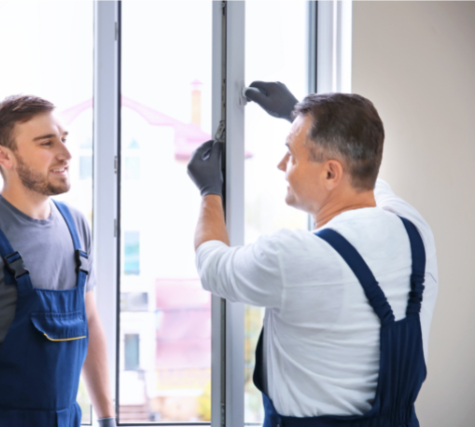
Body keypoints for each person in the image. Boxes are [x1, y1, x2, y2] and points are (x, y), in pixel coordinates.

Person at [187, 82, 438, 427]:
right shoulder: (414, 230)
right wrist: (300, 116)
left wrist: (208, 192)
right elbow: (366, 179)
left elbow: (212, 265)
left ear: (331, 172)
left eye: (290, 154)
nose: (281, 165)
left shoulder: (293, 257)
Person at [0, 95, 116, 427]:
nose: (67, 155)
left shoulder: (76, 227)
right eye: (47, 143)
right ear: (3, 155)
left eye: (64, 140)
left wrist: (107, 418)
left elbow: (90, 321)